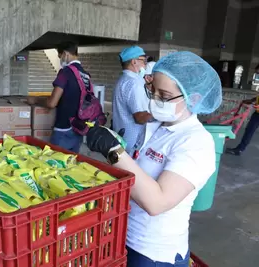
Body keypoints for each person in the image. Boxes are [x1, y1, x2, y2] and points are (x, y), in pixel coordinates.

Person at [87, 51, 222, 267]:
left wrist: (114, 152)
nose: (156, 100)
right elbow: (139, 173)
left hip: (154, 252)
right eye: (153, 91)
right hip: (127, 236)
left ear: (193, 98)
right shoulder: (159, 127)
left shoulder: (196, 143)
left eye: (165, 96)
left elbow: (157, 202)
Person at [27, 42, 91, 153]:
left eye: (59, 56)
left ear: (65, 54)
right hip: (79, 128)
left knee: (55, 164)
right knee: (71, 163)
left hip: (63, 128)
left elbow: (52, 103)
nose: (60, 59)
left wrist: (35, 99)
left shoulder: (65, 73)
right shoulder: (85, 74)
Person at [112, 46, 152, 154]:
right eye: (144, 61)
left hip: (121, 137)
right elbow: (139, 118)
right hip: (132, 142)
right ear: (134, 62)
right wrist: (160, 114)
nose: (145, 65)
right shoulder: (135, 83)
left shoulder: (123, 79)